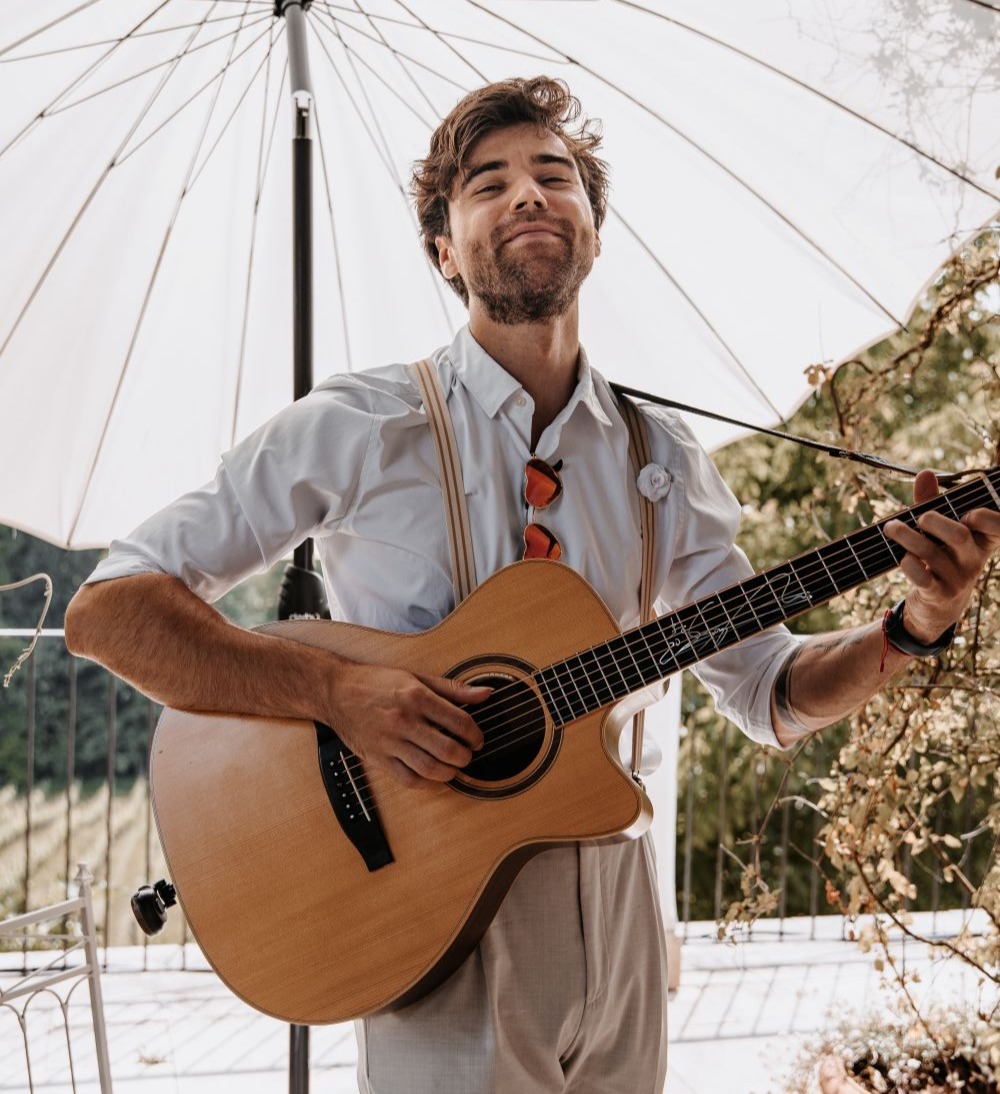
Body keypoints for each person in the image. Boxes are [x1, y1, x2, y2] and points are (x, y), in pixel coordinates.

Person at [65, 77, 1000, 1093]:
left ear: (592, 230)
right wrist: (338, 692)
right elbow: (110, 610)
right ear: (442, 248)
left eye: (554, 176)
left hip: (622, 906)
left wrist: (914, 622)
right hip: (419, 909)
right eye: (487, 183)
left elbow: (768, 691)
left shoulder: (663, 455)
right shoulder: (359, 424)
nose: (528, 196)